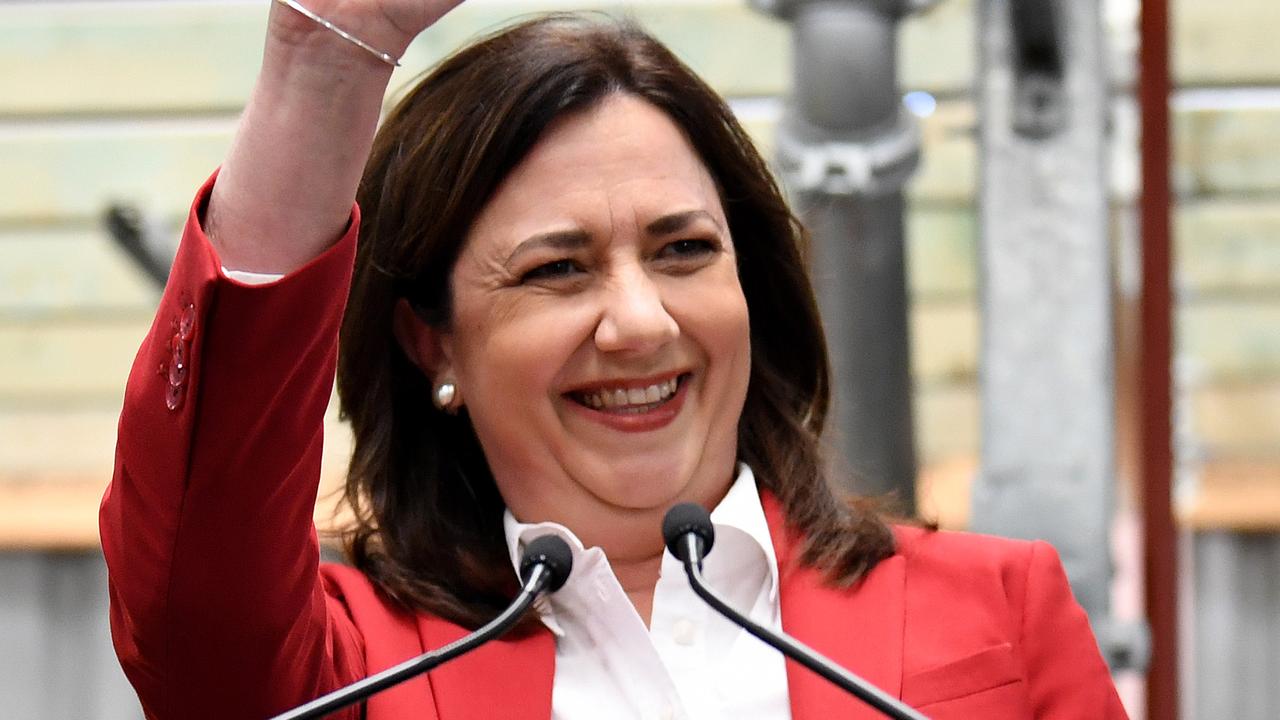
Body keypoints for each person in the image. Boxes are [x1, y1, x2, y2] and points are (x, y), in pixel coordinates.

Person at [99, 1, 1129, 718]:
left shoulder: (1000, 604)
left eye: (683, 250)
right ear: (432, 341)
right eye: (557, 269)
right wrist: (325, 58)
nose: (638, 321)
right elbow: (196, 576)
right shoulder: (353, 666)